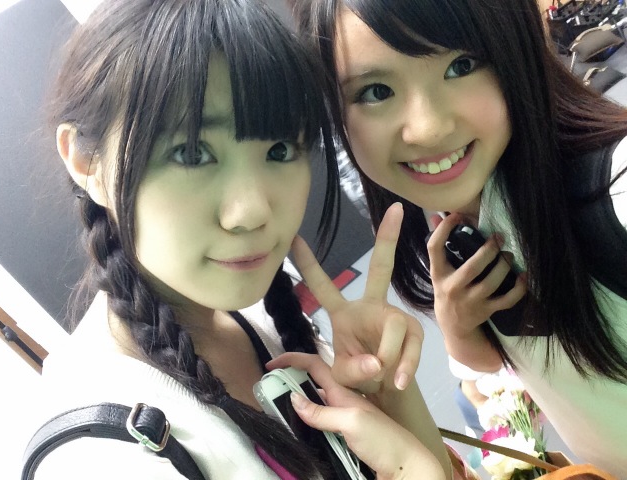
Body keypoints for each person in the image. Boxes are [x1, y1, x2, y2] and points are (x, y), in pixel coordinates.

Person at [26, 0, 450, 478]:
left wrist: (386, 389)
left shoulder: (250, 322)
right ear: (87, 163)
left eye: (280, 150)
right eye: (191, 153)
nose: (252, 210)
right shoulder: (100, 461)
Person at [290, 0, 627, 475]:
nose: (428, 129)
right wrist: (460, 332)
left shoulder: (615, 193)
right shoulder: (459, 227)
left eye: (461, 66)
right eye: (376, 91)